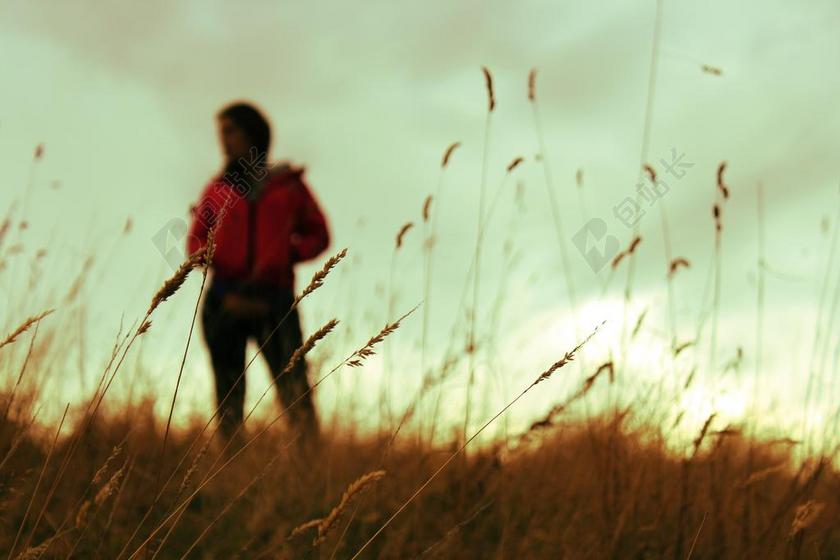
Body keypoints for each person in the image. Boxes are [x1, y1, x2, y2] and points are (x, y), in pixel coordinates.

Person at [186, 101, 330, 447]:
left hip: (274, 301)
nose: (224, 140)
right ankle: (231, 468)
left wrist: (286, 255)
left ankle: (309, 465)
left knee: (294, 390)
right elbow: (195, 241)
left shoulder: (288, 186)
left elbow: (319, 235)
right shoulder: (217, 190)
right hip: (225, 299)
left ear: (254, 134)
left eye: (231, 131)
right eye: (221, 133)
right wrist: (218, 259)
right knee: (229, 396)